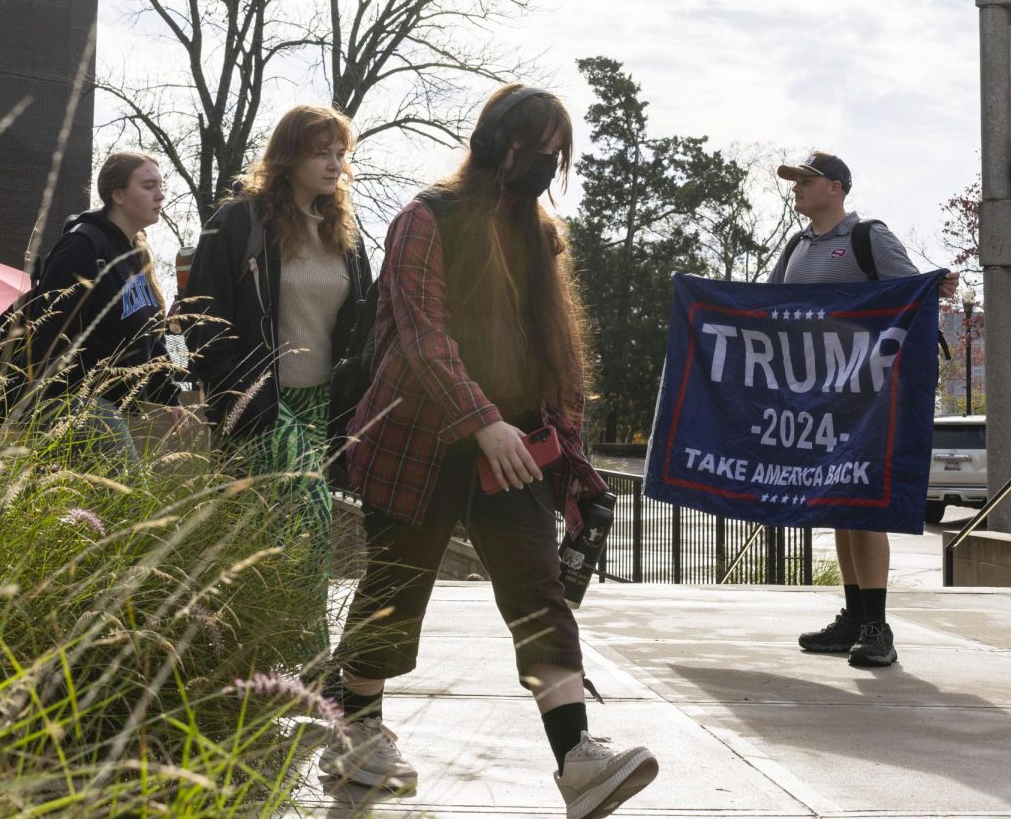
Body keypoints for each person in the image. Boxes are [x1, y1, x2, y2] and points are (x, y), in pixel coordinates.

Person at [323, 84, 659, 819]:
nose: (543, 162)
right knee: (395, 590)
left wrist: (569, 462)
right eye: (532, 145)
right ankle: (354, 732)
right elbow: (419, 337)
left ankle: (577, 760)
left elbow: (557, 358)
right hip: (419, 437)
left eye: (555, 152)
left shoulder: (541, 237)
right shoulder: (424, 219)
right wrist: (482, 421)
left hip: (512, 447)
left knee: (538, 592)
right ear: (494, 141)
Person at [182, 105, 371, 664]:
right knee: (312, 511)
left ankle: (250, 656)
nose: (335, 163)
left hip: (319, 406)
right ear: (288, 157)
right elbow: (199, 314)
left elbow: (362, 322)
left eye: (341, 153)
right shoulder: (238, 223)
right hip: (259, 398)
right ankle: (307, 661)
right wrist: (238, 392)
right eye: (321, 151)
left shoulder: (346, 233)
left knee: (276, 535)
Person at [770, 151, 957, 668]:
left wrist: (936, 284)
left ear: (835, 187)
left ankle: (878, 628)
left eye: (805, 181)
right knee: (839, 507)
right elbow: (763, 310)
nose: (796, 189)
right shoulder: (795, 248)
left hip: (869, 398)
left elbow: (911, 292)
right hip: (815, 398)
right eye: (795, 182)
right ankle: (853, 618)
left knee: (864, 505)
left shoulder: (868, 237)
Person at [28, 151, 186, 464]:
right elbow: (49, 327)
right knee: (131, 495)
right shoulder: (82, 246)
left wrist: (170, 396)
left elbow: (151, 337)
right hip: (75, 404)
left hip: (111, 405)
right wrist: (70, 398)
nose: (161, 194)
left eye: (161, 185)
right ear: (118, 195)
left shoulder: (134, 258)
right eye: (148, 186)